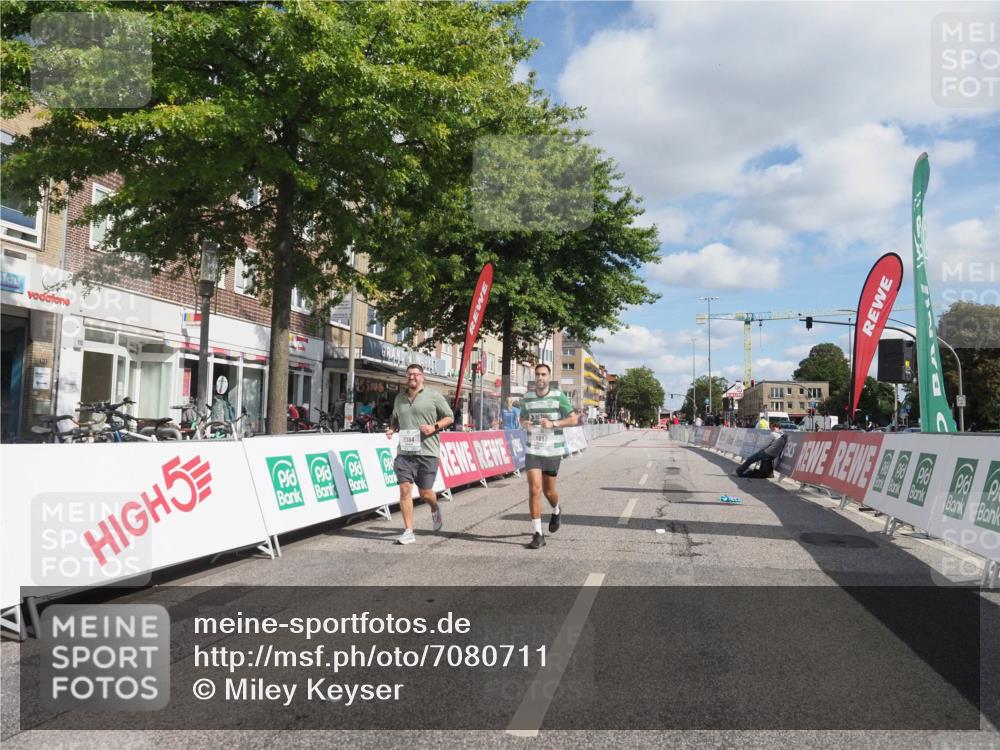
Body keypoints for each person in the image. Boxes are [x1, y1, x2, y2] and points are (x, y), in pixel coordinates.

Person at [385, 364, 454, 544]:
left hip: (427, 451)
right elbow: (395, 418)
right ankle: (408, 531)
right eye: (409, 374)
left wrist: (434, 427)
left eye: (416, 374)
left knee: (425, 493)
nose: (412, 377)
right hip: (405, 452)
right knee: (405, 488)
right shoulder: (399, 398)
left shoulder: (433, 396)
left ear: (422, 377)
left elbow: (449, 417)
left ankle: (434, 507)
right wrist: (391, 429)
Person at [518, 363, 576, 550]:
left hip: (552, 449)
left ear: (549, 377)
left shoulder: (558, 396)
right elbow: (521, 418)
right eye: (537, 374)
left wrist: (554, 423)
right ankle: (538, 534)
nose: (540, 378)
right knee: (534, 489)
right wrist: (524, 424)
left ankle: (556, 509)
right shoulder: (527, 397)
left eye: (543, 374)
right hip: (533, 448)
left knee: (548, 491)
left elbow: (573, 419)